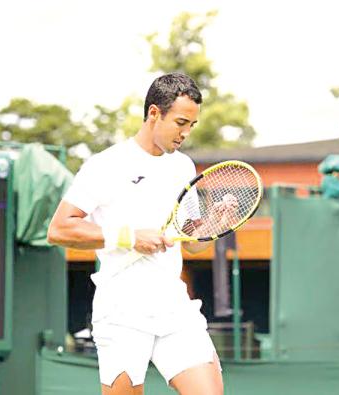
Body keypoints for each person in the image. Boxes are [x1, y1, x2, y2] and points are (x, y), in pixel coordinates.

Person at [48, 72, 224, 395]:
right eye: (181, 123)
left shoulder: (183, 167)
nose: (185, 133)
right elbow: (59, 229)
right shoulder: (105, 165)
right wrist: (129, 237)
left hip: (173, 307)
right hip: (121, 311)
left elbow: (191, 243)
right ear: (154, 113)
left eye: (192, 126)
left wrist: (213, 225)